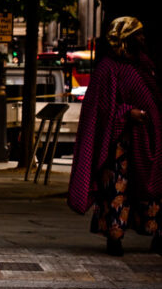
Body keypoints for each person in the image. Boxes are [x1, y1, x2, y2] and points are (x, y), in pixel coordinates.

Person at [69, 16, 162, 256]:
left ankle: (156, 234)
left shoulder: (144, 65)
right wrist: (126, 112)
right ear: (126, 39)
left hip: (146, 139)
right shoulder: (108, 68)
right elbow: (100, 107)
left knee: (151, 188)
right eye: (137, 34)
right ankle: (114, 235)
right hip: (118, 143)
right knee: (116, 190)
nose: (143, 38)